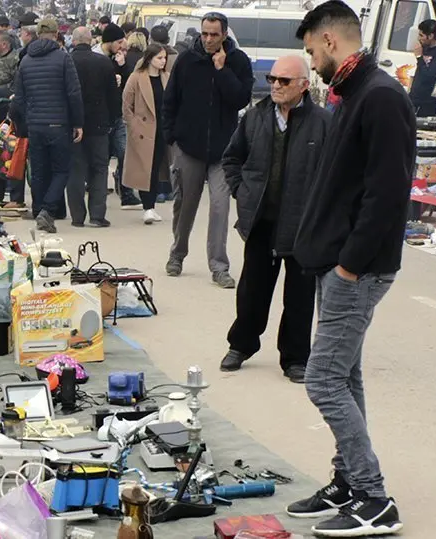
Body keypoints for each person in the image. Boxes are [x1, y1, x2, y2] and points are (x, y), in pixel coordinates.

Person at [286, 2, 415, 535]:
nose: (309, 60)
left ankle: (374, 495)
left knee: (323, 380)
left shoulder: (381, 97)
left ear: (331, 42)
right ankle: (348, 480)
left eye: (311, 50)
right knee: (346, 375)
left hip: (356, 268)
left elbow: (388, 195)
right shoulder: (353, 92)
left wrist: (350, 265)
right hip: (336, 262)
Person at [220, 55, 331, 383]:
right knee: (252, 289)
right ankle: (241, 345)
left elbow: (335, 173)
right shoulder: (255, 117)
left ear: (303, 85)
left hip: (302, 225)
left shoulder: (323, 123)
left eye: (284, 81)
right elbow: (232, 158)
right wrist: (242, 192)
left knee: (299, 294)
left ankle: (295, 358)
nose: (276, 86)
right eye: (272, 79)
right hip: (261, 221)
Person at [163, 12, 253, 288]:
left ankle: (219, 266)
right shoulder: (187, 60)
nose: (209, 39)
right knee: (185, 205)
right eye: (205, 33)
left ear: (225, 34)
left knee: (220, 207)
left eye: (215, 34)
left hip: (223, 152)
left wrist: (222, 70)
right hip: (189, 147)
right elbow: (171, 99)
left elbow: (241, 99)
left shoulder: (238, 61)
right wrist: (171, 137)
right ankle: (177, 254)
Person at [13, 17, 83, 233]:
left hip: (35, 124)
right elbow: (73, 93)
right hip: (58, 123)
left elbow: (19, 97)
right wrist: (78, 122)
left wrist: (27, 119)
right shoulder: (63, 58)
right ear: (56, 35)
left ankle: (38, 209)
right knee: (62, 169)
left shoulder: (25, 60)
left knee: (39, 171)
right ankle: (48, 210)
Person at [67, 27, 120, 227]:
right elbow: (113, 95)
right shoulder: (103, 62)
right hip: (99, 123)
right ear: (90, 41)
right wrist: (113, 119)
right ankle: (97, 215)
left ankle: (77, 217)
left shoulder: (67, 61)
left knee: (75, 170)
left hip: (73, 124)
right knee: (99, 168)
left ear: (73, 41)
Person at [122, 43, 170, 225]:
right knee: (145, 169)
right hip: (143, 131)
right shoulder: (136, 78)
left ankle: (151, 207)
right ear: (150, 58)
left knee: (156, 168)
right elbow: (127, 105)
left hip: (161, 130)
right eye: (159, 58)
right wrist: (133, 125)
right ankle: (147, 207)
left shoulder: (166, 77)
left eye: (164, 58)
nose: (163, 61)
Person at [95, 23, 141, 209]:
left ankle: (126, 192)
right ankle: (96, 191)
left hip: (117, 114)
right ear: (110, 42)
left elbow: (128, 84)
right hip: (100, 116)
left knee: (124, 153)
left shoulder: (119, 58)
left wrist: (122, 67)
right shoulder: (96, 57)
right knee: (101, 157)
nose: (124, 45)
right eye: (120, 41)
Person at [408, 19, 436, 117]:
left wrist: (419, 57)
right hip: (414, 100)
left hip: (428, 103)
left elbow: (430, 76)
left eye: (421, 35)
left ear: (430, 36)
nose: (419, 38)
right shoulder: (425, 49)